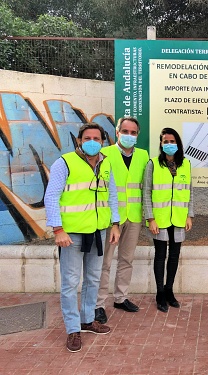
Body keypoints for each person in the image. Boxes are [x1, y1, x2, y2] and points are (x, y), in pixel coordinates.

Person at [44, 123, 121, 352]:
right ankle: (72, 330)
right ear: (79, 140)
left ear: (103, 141)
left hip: (97, 231)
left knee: (93, 279)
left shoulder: (106, 163)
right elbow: (51, 197)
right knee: (70, 283)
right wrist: (58, 229)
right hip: (72, 235)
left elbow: (112, 196)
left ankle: (87, 320)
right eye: (87, 137)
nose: (92, 141)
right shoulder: (64, 162)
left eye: (97, 138)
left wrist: (115, 224)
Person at [95, 117, 149, 323]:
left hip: (133, 217)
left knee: (126, 259)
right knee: (105, 262)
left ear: (137, 135)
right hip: (111, 219)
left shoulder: (143, 156)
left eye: (133, 132)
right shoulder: (105, 154)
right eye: (125, 131)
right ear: (117, 133)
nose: (129, 135)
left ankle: (120, 297)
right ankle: (98, 304)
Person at [143, 127, 193, 312]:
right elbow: (146, 192)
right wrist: (150, 218)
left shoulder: (186, 164)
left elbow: (190, 191)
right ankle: (159, 293)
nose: (169, 145)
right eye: (166, 142)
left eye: (172, 142)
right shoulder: (153, 164)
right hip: (160, 218)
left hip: (179, 218)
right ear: (161, 144)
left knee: (174, 256)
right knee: (160, 256)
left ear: (178, 144)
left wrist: (189, 214)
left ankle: (169, 290)